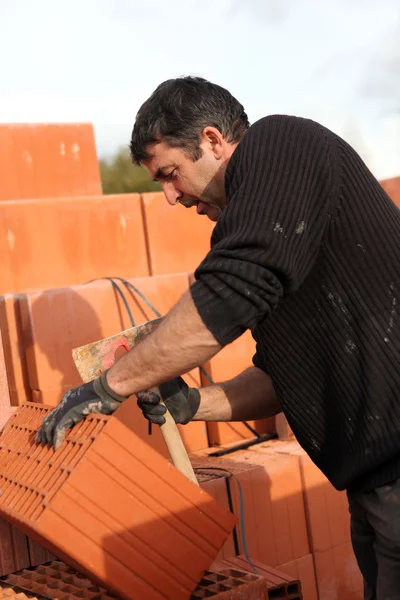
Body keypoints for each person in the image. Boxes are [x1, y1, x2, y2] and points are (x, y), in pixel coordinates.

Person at [36, 76, 400, 599]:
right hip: (373, 487)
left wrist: (107, 386)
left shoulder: (280, 144)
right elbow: (284, 378)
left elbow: (229, 292)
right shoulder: (258, 226)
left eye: (170, 174)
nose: (169, 197)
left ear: (212, 140)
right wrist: (192, 403)